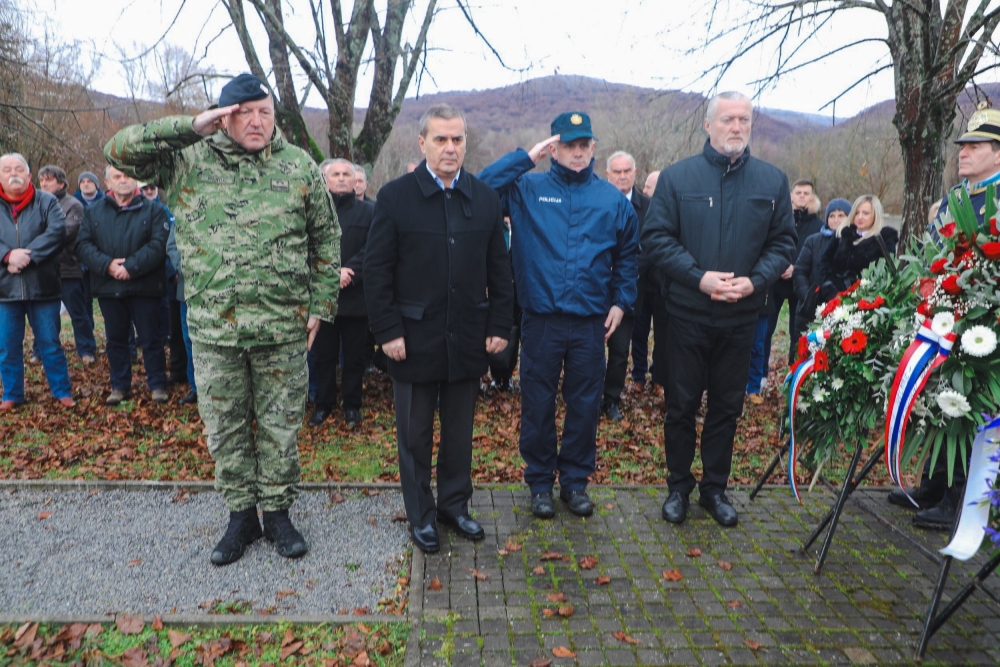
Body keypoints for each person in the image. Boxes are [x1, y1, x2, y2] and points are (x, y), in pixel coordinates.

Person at [104, 72, 341, 565]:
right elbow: (119, 152)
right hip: (215, 329)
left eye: (265, 112)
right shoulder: (187, 161)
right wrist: (192, 126)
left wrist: (321, 305)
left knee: (280, 426)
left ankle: (277, 513)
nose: (257, 122)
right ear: (224, 116)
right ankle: (240, 516)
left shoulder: (298, 166)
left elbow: (325, 238)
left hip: (281, 328)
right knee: (225, 427)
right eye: (244, 113)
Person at [641, 91, 796, 527]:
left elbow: (783, 241)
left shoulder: (771, 181)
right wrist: (698, 277)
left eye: (744, 119)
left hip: (741, 315)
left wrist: (756, 279)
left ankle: (715, 487)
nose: (736, 127)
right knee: (681, 405)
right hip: (688, 313)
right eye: (728, 119)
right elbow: (655, 239)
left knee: (727, 406)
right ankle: (678, 488)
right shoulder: (677, 178)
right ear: (708, 125)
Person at [365, 104, 513, 553]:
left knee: (459, 432)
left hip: (467, 336)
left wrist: (501, 323)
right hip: (412, 340)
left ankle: (454, 505)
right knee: (414, 436)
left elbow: (501, 270)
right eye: (441, 140)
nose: (450, 148)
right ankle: (422, 515)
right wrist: (388, 330)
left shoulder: (484, 197)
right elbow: (377, 270)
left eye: (458, 140)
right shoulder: (395, 197)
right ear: (422, 143)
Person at [479, 112, 639, 519]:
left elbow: (627, 259)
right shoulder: (527, 188)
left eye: (585, 145)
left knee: (585, 405)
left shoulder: (612, 200)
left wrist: (621, 302)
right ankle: (538, 483)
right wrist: (525, 157)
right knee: (537, 402)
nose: (579, 152)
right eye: (569, 145)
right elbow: (480, 188)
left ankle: (574, 482)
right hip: (541, 319)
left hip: (590, 324)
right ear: (554, 147)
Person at [889, 104, 1000, 530]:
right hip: (943, 317)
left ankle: (960, 497)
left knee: (967, 405)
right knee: (939, 399)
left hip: (984, 325)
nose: (963, 153)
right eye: (962, 146)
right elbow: (933, 254)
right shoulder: (955, 198)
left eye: (974, 145)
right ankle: (933, 485)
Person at [75, 166, 170, 405]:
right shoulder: (93, 212)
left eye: (127, 176)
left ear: (136, 180)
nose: (123, 180)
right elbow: (83, 245)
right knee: (115, 339)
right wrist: (108, 265)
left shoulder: (155, 210)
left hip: (145, 286)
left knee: (151, 338)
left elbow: (159, 245)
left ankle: (157, 384)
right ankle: (119, 386)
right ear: (107, 182)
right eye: (117, 176)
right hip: (109, 286)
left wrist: (131, 267)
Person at [0, 153, 74, 410]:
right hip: (4, 289)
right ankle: (12, 394)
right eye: (7, 169)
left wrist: (25, 257)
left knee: (50, 344)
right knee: (7, 347)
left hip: (43, 286)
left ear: (29, 175)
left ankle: (62, 391)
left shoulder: (47, 201)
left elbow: (57, 232)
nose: (13, 173)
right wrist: (7, 255)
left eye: (19, 168)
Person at [308, 159, 374, 427]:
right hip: (324, 297)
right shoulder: (313, 213)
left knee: (355, 358)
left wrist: (350, 271)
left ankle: (352, 406)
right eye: (335, 174)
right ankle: (323, 405)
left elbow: (374, 249)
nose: (342, 178)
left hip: (356, 296)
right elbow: (305, 248)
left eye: (347, 174)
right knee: (324, 356)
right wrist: (331, 273)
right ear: (325, 179)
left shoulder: (370, 212)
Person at [601, 150, 649, 420]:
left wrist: (624, 271)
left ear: (635, 173)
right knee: (591, 350)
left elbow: (650, 249)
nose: (621, 176)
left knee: (619, 351)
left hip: (629, 292)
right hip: (594, 291)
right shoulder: (595, 201)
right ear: (607, 175)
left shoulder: (649, 207)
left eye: (626, 171)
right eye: (616, 172)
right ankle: (590, 396)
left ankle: (612, 400)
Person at [37, 165, 96, 365]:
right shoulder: (36, 203)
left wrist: (38, 237)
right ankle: (40, 351)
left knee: (78, 313)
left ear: (61, 183)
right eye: (42, 180)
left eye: (49, 180)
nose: (44, 184)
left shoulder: (74, 205)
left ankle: (87, 349)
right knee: (45, 314)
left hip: (68, 267)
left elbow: (65, 232)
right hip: (42, 268)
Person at [818, 194, 897, 301]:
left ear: (875, 215)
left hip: (867, 299)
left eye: (865, 213)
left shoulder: (883, 239)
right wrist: (829, 286)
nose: (860, 217)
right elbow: (824, 261)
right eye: (856, 212)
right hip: (834, 297)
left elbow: (887, 272)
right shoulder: (842, 234)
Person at [792, 198, 851, 334]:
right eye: (832, 216)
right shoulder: (813, 241)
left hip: (843, 309)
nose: (836, 220)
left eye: (841, 215)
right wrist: (809, 297)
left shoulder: (854, 243)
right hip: (810, 310)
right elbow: (799, 272)